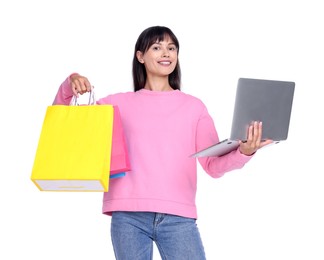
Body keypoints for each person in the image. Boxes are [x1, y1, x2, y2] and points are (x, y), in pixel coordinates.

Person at [53, 26, 272, 260]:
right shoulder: (115, 104)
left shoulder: (194, 107)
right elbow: (64, 125)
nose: (166, 53)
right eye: (157, 47)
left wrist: (245, 152)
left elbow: (213, 166)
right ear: (140, 56)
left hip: (178, 217)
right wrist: (70, 84)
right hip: (128, 216)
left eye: (171, 48)